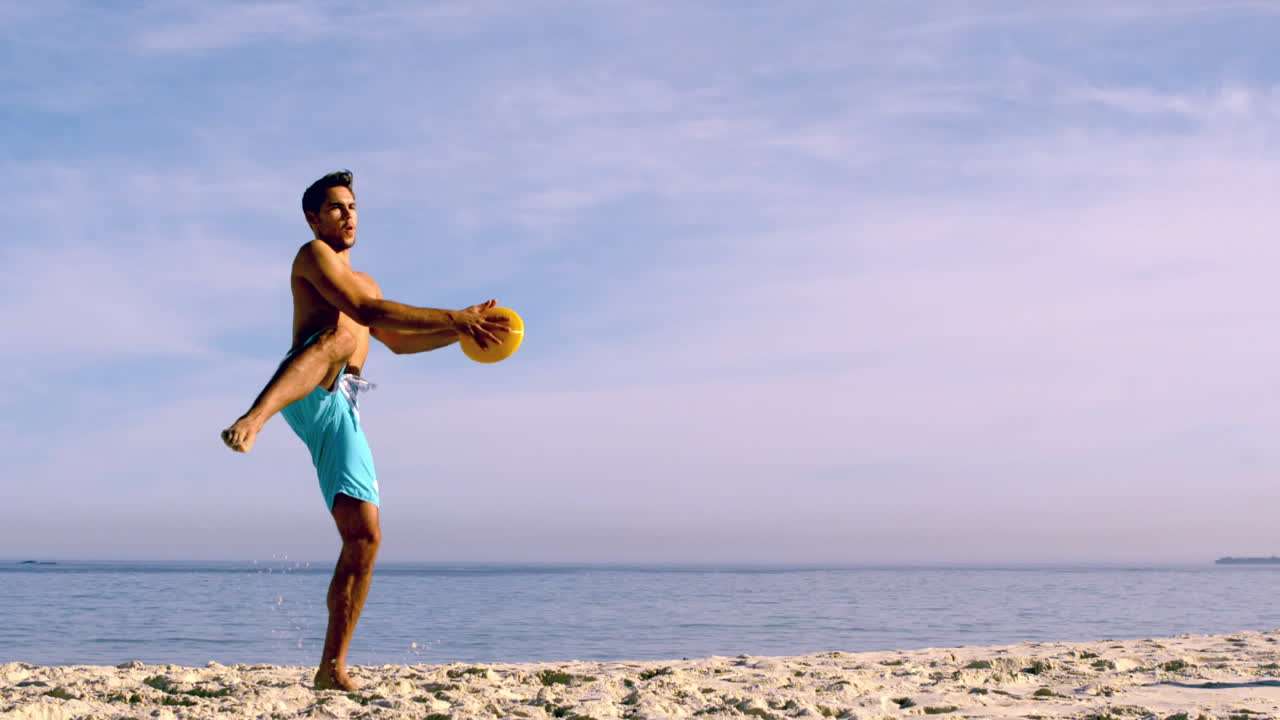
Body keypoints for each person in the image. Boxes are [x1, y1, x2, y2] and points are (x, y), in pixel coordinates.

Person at [220, 170, 508, 690]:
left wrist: (463, 332)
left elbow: (397, 340)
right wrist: (454, 316)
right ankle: (252, 419)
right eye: (336, 207)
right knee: (340, 336)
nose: (348, 215)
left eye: (352, 206)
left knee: (364, 538)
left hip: (344, 405)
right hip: (305, 383)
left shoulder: (366, 281)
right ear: (313, 218)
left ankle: (331, 669)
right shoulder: (313, 255)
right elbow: (363, 313)